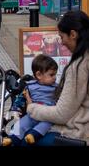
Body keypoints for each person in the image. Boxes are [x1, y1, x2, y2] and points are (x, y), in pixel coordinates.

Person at [25, 10, 89, 145]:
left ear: (73, 34)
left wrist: (31, 108)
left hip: (80, 134)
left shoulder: (79, 65)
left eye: (62, 37)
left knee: (23, 138)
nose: (61, 43)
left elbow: (61, 114)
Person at [3, 55, 58, 146]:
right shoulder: (29, 87)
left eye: (55, 74)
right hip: (31, 115)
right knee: (21, 124)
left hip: (47, 115)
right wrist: (15, 110)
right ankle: (12, 139)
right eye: (51, 75)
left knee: (45, 125)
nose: (55, 77)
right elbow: (20, 99)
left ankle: (32, 135)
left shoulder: (56, 88)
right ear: (39, 75)